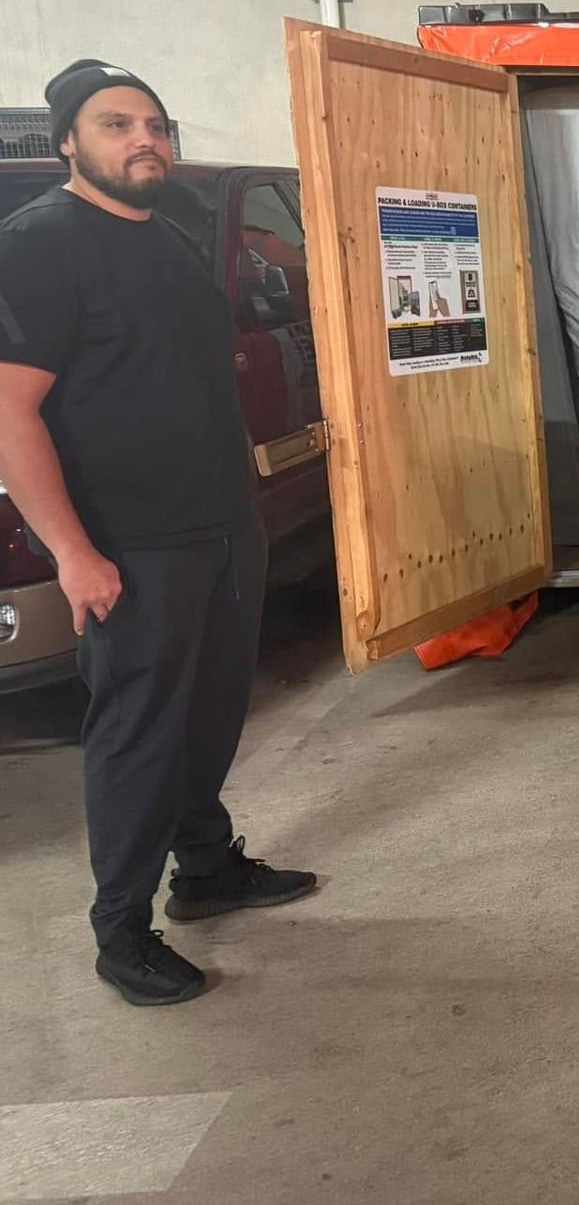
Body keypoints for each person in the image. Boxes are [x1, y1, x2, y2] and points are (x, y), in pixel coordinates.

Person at [0, 60, 315, 1008]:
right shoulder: (41, 245)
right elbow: (12, 414)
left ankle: (208, 869)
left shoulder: (173, 230)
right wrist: (72, 553)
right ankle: (120, 931)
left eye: (155, 123)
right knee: (138, 732)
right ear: (67, 140)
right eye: (115, 124)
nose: (144, 139)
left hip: (221, 527)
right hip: (132, 544)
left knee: (213, 711)